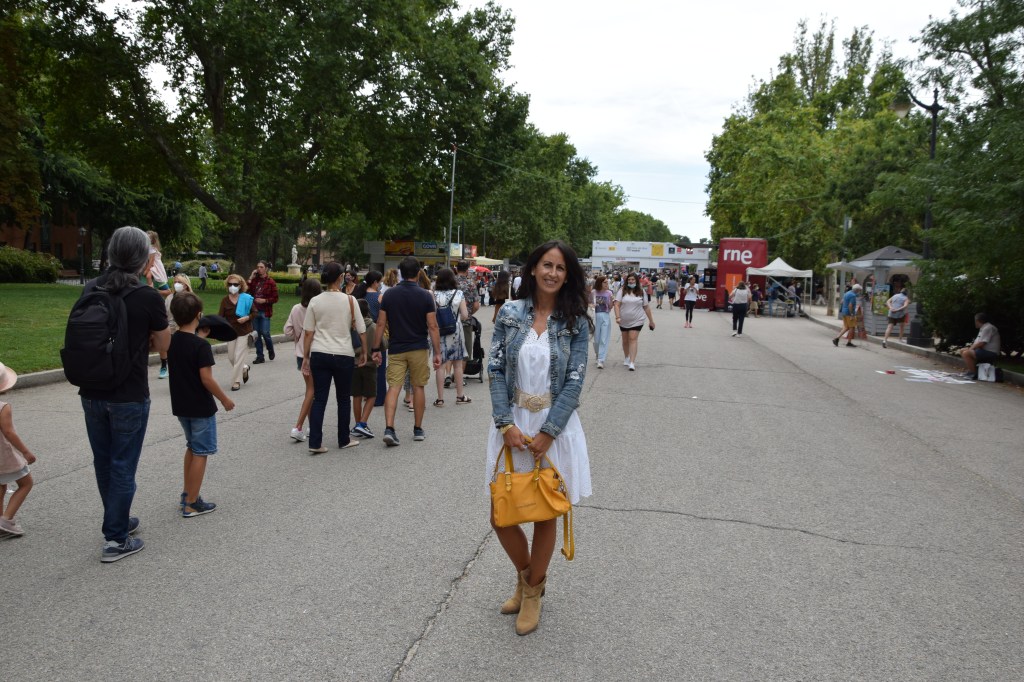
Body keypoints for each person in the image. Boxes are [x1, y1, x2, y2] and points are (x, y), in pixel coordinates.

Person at [487, 239, 593, 636]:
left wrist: (549, 432)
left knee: (545, 511)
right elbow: (495, 369)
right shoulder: (510, 313)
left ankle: (531, 593)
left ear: (567, 276)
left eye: (560, 268)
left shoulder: (575, 322)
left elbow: (575, 381)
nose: (552, 273)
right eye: (547, 265)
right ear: (533, 268)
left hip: (555, 426)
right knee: (502, 513)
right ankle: (529, 577)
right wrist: (505, 424)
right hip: (511, 421)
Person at [79, 226, 170, 562]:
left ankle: (116, 519)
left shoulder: (91, 287)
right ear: (144, 258)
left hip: (91, 388)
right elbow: (164, 345)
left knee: (104, 461)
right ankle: (116, 539)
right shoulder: (146, 296)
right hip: (128, 392)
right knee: (123, 465)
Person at [167, 293, 235, 517]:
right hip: (200, 407)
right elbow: (206, 379)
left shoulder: (172, 340)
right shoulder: (201, 346)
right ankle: (191, 503)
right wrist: (224, 399)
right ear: (199, 315)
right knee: (201, 452)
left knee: (192, 447)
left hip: (181, 405)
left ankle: (187, 494)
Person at [370, 256, 442, 447]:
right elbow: (433, 326)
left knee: (394, 387)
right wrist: (437, 352)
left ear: (400, 272)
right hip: (418, 347)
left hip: (396, 348)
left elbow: (381, 323)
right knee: (418, 387)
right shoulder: (425, 296)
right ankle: (417, 429)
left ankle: (389, 428)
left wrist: (375, 348)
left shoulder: (389, 295)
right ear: (418, 273)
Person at [301, 262, 366, 454]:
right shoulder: (350, 300)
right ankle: (343, 439)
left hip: (319, 352)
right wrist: (364, 352)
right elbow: (361, 329)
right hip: (343, 353)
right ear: (340, 278)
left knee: (319, 398)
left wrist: (305, 356)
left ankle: (315, 442)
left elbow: (308, 332)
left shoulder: (315, 301)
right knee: (343, 399)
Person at [284, 277, 322, 441]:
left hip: (301, 353)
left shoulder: (296, 308)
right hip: (316, 352)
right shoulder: (318, 309)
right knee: (312, 391)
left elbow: (287, 330)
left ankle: (311, 426)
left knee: (310, 390)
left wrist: (297, 336)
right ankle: (298, 426)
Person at [0, 362, 35, 537]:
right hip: (3, 455)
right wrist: (25, 452)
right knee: (26, 483)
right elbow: (8, 432)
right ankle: (6, 520)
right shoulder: (3, 407)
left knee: (0, 485)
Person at [431, 268, 471, 407]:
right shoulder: (458, 293)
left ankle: (440, 399)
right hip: (456, 331)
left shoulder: (433, 294)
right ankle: (460, 396)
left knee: (440, 365)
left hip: (438, 331)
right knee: (458, 365)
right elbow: (465, 315)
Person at [613, 273, 655, 371]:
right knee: (625, 340)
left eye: (633, 280)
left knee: (632, 338)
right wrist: (617, 317)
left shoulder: (641, 291)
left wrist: (651, 321)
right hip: (623, 320)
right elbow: (617, 305)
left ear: (636, 281)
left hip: (637, 320)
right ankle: (627, 357)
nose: (631, 281)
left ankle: (632, 362)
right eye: (629, 280)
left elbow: (646, 307)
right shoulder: (622, 291)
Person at [218, 274, 253, 391]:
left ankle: (236, 382)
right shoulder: (225, 300)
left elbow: (255, 312)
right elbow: (220, 317)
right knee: (231, 357)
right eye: (230, 284)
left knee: (238, 357)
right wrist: (217, 330)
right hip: (231, 332)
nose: (232, 286)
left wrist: (247, 318)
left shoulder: (246, 298)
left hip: (244, 331)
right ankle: (244, 367)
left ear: (240, 285)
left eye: (235, 284)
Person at [146, 231, 172, 378]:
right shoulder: (135, 275)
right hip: (143, 313)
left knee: (160, 338)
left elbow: (168, 292)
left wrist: (155, 292)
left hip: (157, 312)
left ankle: (164, 365)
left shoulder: (156, 276)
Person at [350, 298, 378, 438]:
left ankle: (357, 423)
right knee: (371, 395)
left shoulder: (351, 327)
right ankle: (362, 423)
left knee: (357, 395)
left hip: (354, 363)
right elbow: (382, 343)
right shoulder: (373, 326)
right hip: (369, 364)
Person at [247, 260, 279, 363]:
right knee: (256, 334)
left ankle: (270, 349)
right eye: (258, 267)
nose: (259, 269)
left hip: (265, 311)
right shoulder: (254, 281)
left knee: (265, 333)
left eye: (261, 267)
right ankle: (260, 356)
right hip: (255, 311)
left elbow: (275, 298)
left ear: (266, 268)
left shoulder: (270, 282)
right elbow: (246, 290)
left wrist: (264, 300)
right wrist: (251, 277)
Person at [960, 313, 1001, 380]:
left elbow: (982, 343)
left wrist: (971, 349)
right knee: (962, 350)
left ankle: (973, 373)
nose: (975, 323)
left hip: (990, 352)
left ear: (977, 321)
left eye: (975, 321)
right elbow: (978, 342)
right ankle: (971, 370)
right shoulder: (984, 328)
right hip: (983, 350)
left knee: (966, 353)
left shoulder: (988, 328)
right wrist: (971, 348)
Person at [590, 275, 612, 369]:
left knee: (603, 339)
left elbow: (610, 307)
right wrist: (592, 305)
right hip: (596, 316)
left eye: (607, 282)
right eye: (605, 282)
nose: (607, 284)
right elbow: (589, 303)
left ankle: (601, 359)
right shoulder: (593, 292)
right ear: (600, 283)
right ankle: (597, 354)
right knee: (596, 340)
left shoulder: (609, 293)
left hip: (605, 315)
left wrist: (611, 301)